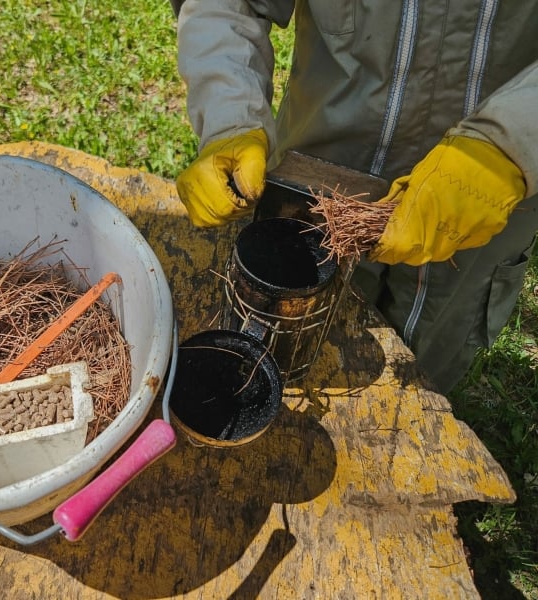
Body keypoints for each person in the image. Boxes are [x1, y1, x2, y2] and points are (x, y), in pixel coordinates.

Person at [172, 0, 538, 393]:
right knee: (293, 345)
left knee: (426, 372)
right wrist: (230, 117)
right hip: (314, 188)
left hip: (481, 215)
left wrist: (512, 145)